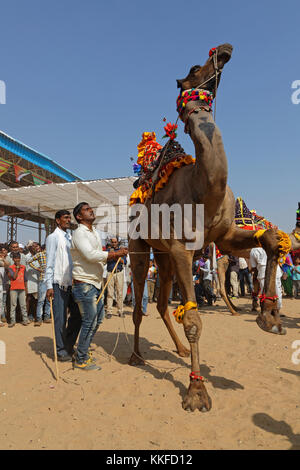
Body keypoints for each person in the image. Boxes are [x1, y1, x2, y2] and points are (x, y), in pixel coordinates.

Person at [71, 202, 128, 370]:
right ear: (79, 217)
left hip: (95, 282)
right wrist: (115, 253)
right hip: (84, 283)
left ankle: (83, 349)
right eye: (87, 209)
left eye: (91, 208)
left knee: (98, 319)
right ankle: (81, 359)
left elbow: (98, 254)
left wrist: (115, 253)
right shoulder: (79, 233)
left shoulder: (94, 232)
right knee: (89, 321)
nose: (91, 210)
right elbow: (89, 255)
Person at [45, 210, 82, 362]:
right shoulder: (53, 237)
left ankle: (67, 344)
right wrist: (49, 285)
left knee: (78, 315)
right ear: (57, 220)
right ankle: (60, 350)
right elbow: (50, 262)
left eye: (69, 218)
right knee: (60, 319)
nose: (68, 220)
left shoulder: (69, 237)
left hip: (71, 283)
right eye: (65, 218)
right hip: (57, 283)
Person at [29, 244, 51, 326]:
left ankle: (45, 317)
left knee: (48, 299)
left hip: (50, 279)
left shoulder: (52, 255)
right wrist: (37, 269)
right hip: (43, 279)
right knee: (42, 299)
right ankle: (40, 318)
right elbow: (29, 261)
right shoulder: (40, 254)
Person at [106, 237, 127, 318]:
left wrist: (117, 255)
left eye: (115, 242)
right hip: (110, 272)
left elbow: (124, 262)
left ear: (117, 242)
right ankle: (109, 311)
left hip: (119, 272)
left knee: (120, 293)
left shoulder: (122, 251)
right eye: (112, 242)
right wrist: (112, 255)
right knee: (110, 293)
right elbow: (106, 259)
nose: (114, 243)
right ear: (111, 242)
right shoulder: (108, 251)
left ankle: (120, 311)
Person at [7, 252, 29, 327]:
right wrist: (17, 269)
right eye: (15, 258)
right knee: (13, 305)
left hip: (22, 288)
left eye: (18, 258)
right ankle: (13, 321)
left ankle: (25, 320)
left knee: (23, 305)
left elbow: (25, 279)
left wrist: (26, 289)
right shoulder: (11, 267)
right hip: (13, 289)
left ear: (20, 259)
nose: (17, 260)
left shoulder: (23, 267)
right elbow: (14, 277)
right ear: (13, 259)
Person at [25, 241, 39, 322]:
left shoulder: (39, 256)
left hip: (37, 280)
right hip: (29, 280)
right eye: (33, 246)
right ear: (29, 248)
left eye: (36, 246)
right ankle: (26, 317)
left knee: (36, 300)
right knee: (28, 299)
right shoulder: (27, 257)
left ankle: (35, 316)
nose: (35, 248)